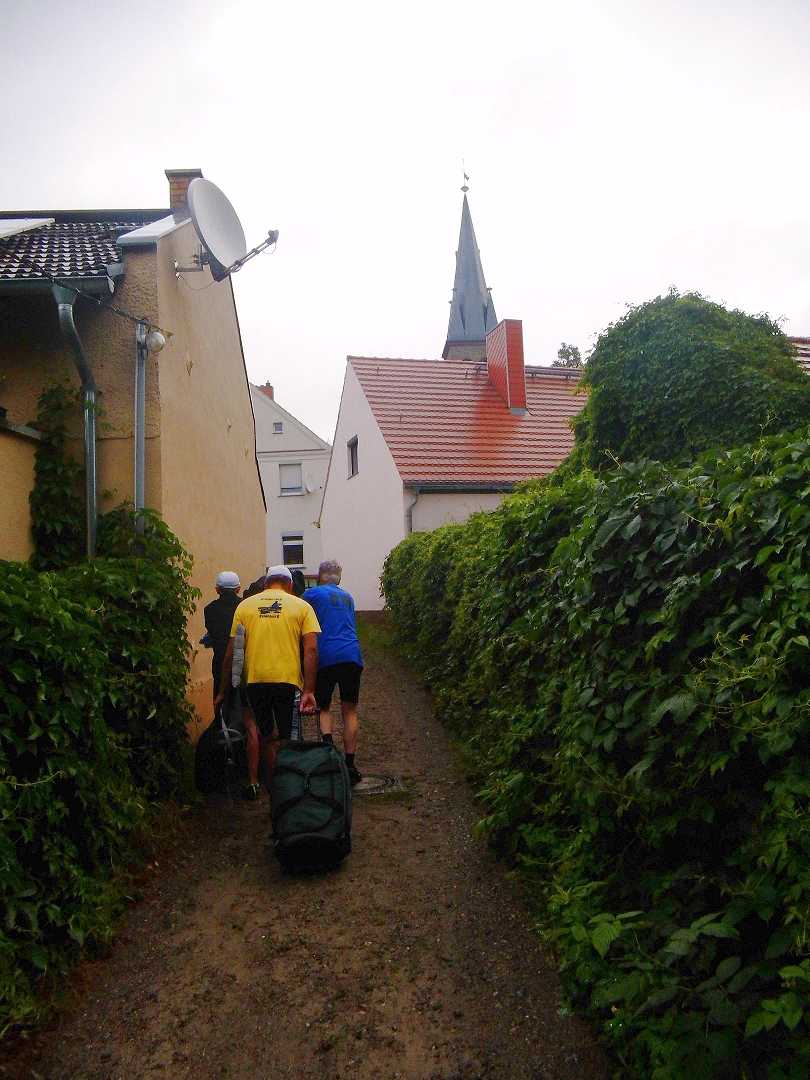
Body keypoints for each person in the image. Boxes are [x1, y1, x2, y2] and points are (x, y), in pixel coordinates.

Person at [215, 565, 321, 800]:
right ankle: (290, 790)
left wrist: (223, 690)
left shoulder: (245, 606)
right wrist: (309, 690)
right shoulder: (302, 606)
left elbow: (232, 653)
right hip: (288, 681)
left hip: (255, 681)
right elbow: (311, 650)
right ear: (290, 584)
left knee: (267, 736)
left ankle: (275, 791)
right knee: (288, 736)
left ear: (265, 584)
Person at [303, 560, 364, 785]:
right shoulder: (348, 597)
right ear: (339, 578)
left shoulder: (311, 595)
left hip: (326, 655)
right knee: (350, 710)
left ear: (320, 577)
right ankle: (350, 763)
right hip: (352, 655)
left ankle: (329, 751)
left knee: (324, 706)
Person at [202, 571, 242, 703]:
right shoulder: (245, 607)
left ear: (217, 590)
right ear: (238, 589)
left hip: (220, 661)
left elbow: (213, 633)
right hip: (244, 662)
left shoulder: (209, 609)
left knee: (220, 699)